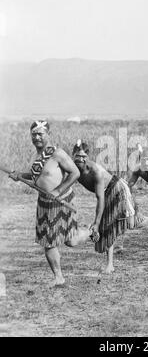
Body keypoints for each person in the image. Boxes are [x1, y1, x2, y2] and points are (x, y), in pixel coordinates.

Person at [9, 120, 90, 287]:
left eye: (40, 134)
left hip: (62, 200)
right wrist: (20, 176)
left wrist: (58, 191)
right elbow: (38, 177)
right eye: (34, 134)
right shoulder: (35, 156)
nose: (37, 137)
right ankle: (59, 277)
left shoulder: (57, 153)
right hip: (44, 203)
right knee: (48, 243)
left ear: (48, 134)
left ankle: (90, 231)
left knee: (71, 241)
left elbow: (74, 173)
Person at [72, 140, 135, 274]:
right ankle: (110, 263)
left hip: (117, 189)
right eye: (78, 156)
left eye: (84, 157)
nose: (81, 159)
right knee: (109, 225)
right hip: (106, 192)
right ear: (73, 155)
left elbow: (100, 199)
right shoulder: (72, 168)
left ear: (88, 157)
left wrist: (96, 223)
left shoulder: (95, 171)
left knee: (130, 223)